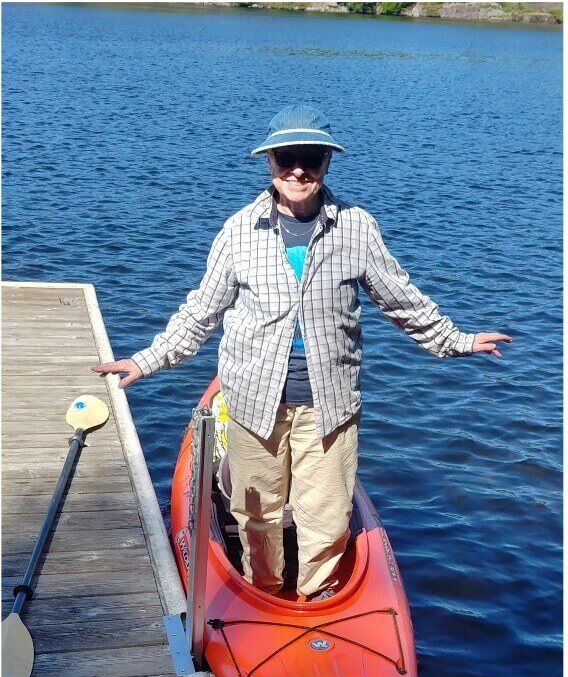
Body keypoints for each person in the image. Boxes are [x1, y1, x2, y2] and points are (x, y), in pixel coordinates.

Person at [93, 104, 511, 602]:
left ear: (327, 163)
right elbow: (201, 312)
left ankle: (316, 601)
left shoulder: (356, 228)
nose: (298, 170)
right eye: (287, 157)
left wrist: (456, 341)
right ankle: (261, 593)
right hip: (251, 401)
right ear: (269, 161)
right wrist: (146, 359)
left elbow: (402, 299)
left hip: (329, 405)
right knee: (255, 512)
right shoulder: (239, 231)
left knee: (328, 514)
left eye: (310, 158)